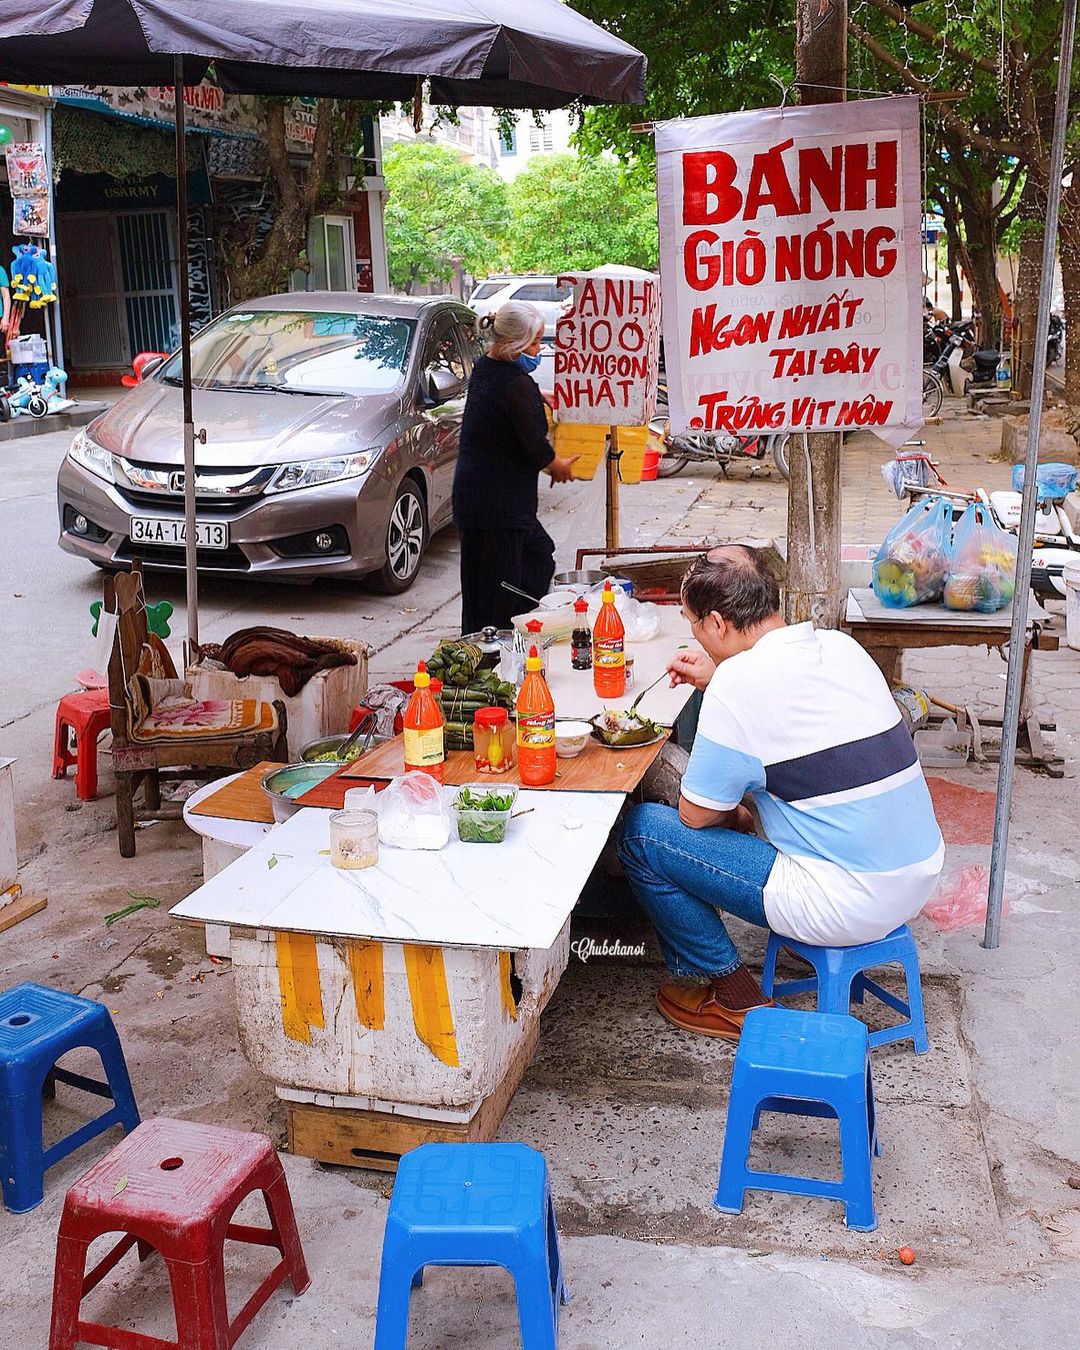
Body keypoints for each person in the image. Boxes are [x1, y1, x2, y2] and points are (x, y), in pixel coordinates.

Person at [618, 545, 945, 1040]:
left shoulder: (738, 685)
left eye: (693, 626)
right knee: (769, 803)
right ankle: (791, 943)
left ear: (717, 624)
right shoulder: (840, 647)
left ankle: (726, 993)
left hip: (845, 901)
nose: (698, 639)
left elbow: (695, 816)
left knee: (644, 836)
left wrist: (739, 812)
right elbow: (789, 717)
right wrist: (718, 681)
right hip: (916, 874)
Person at [453, 301, 577, 633]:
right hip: (499, 507)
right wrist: (558, 466)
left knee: (482, 586)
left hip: (476, 499)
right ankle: (499, 652)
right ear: (512, 343)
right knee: (507, 585)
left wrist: (537, 396)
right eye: (534, 343)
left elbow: (503, 408)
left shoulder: (486, 367)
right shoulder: (515, 385)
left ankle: (479, 647)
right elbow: (535, 446)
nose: (538, 351)